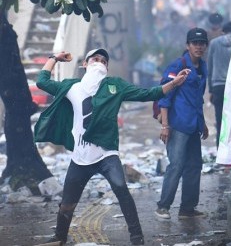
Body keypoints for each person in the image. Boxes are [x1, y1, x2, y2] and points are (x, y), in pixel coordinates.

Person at [34, 48, 190, 245]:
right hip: (80, 158)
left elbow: (149, 93)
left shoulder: (115, 86)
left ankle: (137, 237)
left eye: (103, 61)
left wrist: (174, 83)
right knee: (67, 204)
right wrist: (54, 59)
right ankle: (59, 237)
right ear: (85, 64)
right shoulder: (71, 87)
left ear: (107, 68)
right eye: (95, 59)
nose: (99, 62)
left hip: (106, 154)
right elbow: (42, 81)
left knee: (121, 189)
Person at [155, 27, 209, 220]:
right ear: (188, 45)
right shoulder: (177, 66)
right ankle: (163, 207)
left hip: (193, 125)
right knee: (176, 165)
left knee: (195, 166)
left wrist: (202, 123)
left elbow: (198, 99)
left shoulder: (203, 67)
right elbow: (164, 95)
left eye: (202, 43)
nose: (199, 47)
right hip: (177, 125)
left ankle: (187, 208)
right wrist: (165, 125)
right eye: (195, 43)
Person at [207, 21, 231, 148]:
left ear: (223, 31)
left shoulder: (214, 43)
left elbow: (210, 66)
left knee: (220, 120)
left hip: (218, 86)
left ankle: (221, 151)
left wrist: (211, 89)